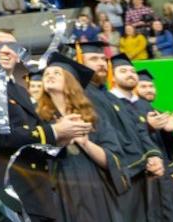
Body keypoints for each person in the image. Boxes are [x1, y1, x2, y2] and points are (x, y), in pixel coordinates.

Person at [0, 29, 87, 221]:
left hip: (37, 189)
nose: (5, 50)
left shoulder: (20, 90)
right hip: (8, 191)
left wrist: (65, 134)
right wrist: (54, 131)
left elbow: (39, 132)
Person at [36, 53, 124, 221]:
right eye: (46, 74)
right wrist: (59, 136)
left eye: (56, 73)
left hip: (95, 190)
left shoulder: (93, 118)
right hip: (58, 190)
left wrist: (85, 143)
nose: (49, 76)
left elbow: (113, 158)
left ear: (70, 81)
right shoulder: (38, 118)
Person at [79, 49, 162, 220]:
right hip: (112, 176)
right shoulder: (82, 96)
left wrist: (152, 155)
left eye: (103, 59)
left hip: (134, 173)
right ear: (79, 62)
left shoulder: (108, 96)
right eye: (94, 58)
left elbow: (135, 129)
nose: (101, 63)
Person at [134, 70, 173, 222]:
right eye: (143, 86)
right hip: (149, 179)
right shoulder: (128, 113)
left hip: (169, 177)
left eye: (151, 86)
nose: (149, 89)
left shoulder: (158, 113)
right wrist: (149, 127)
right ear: (134, 88)